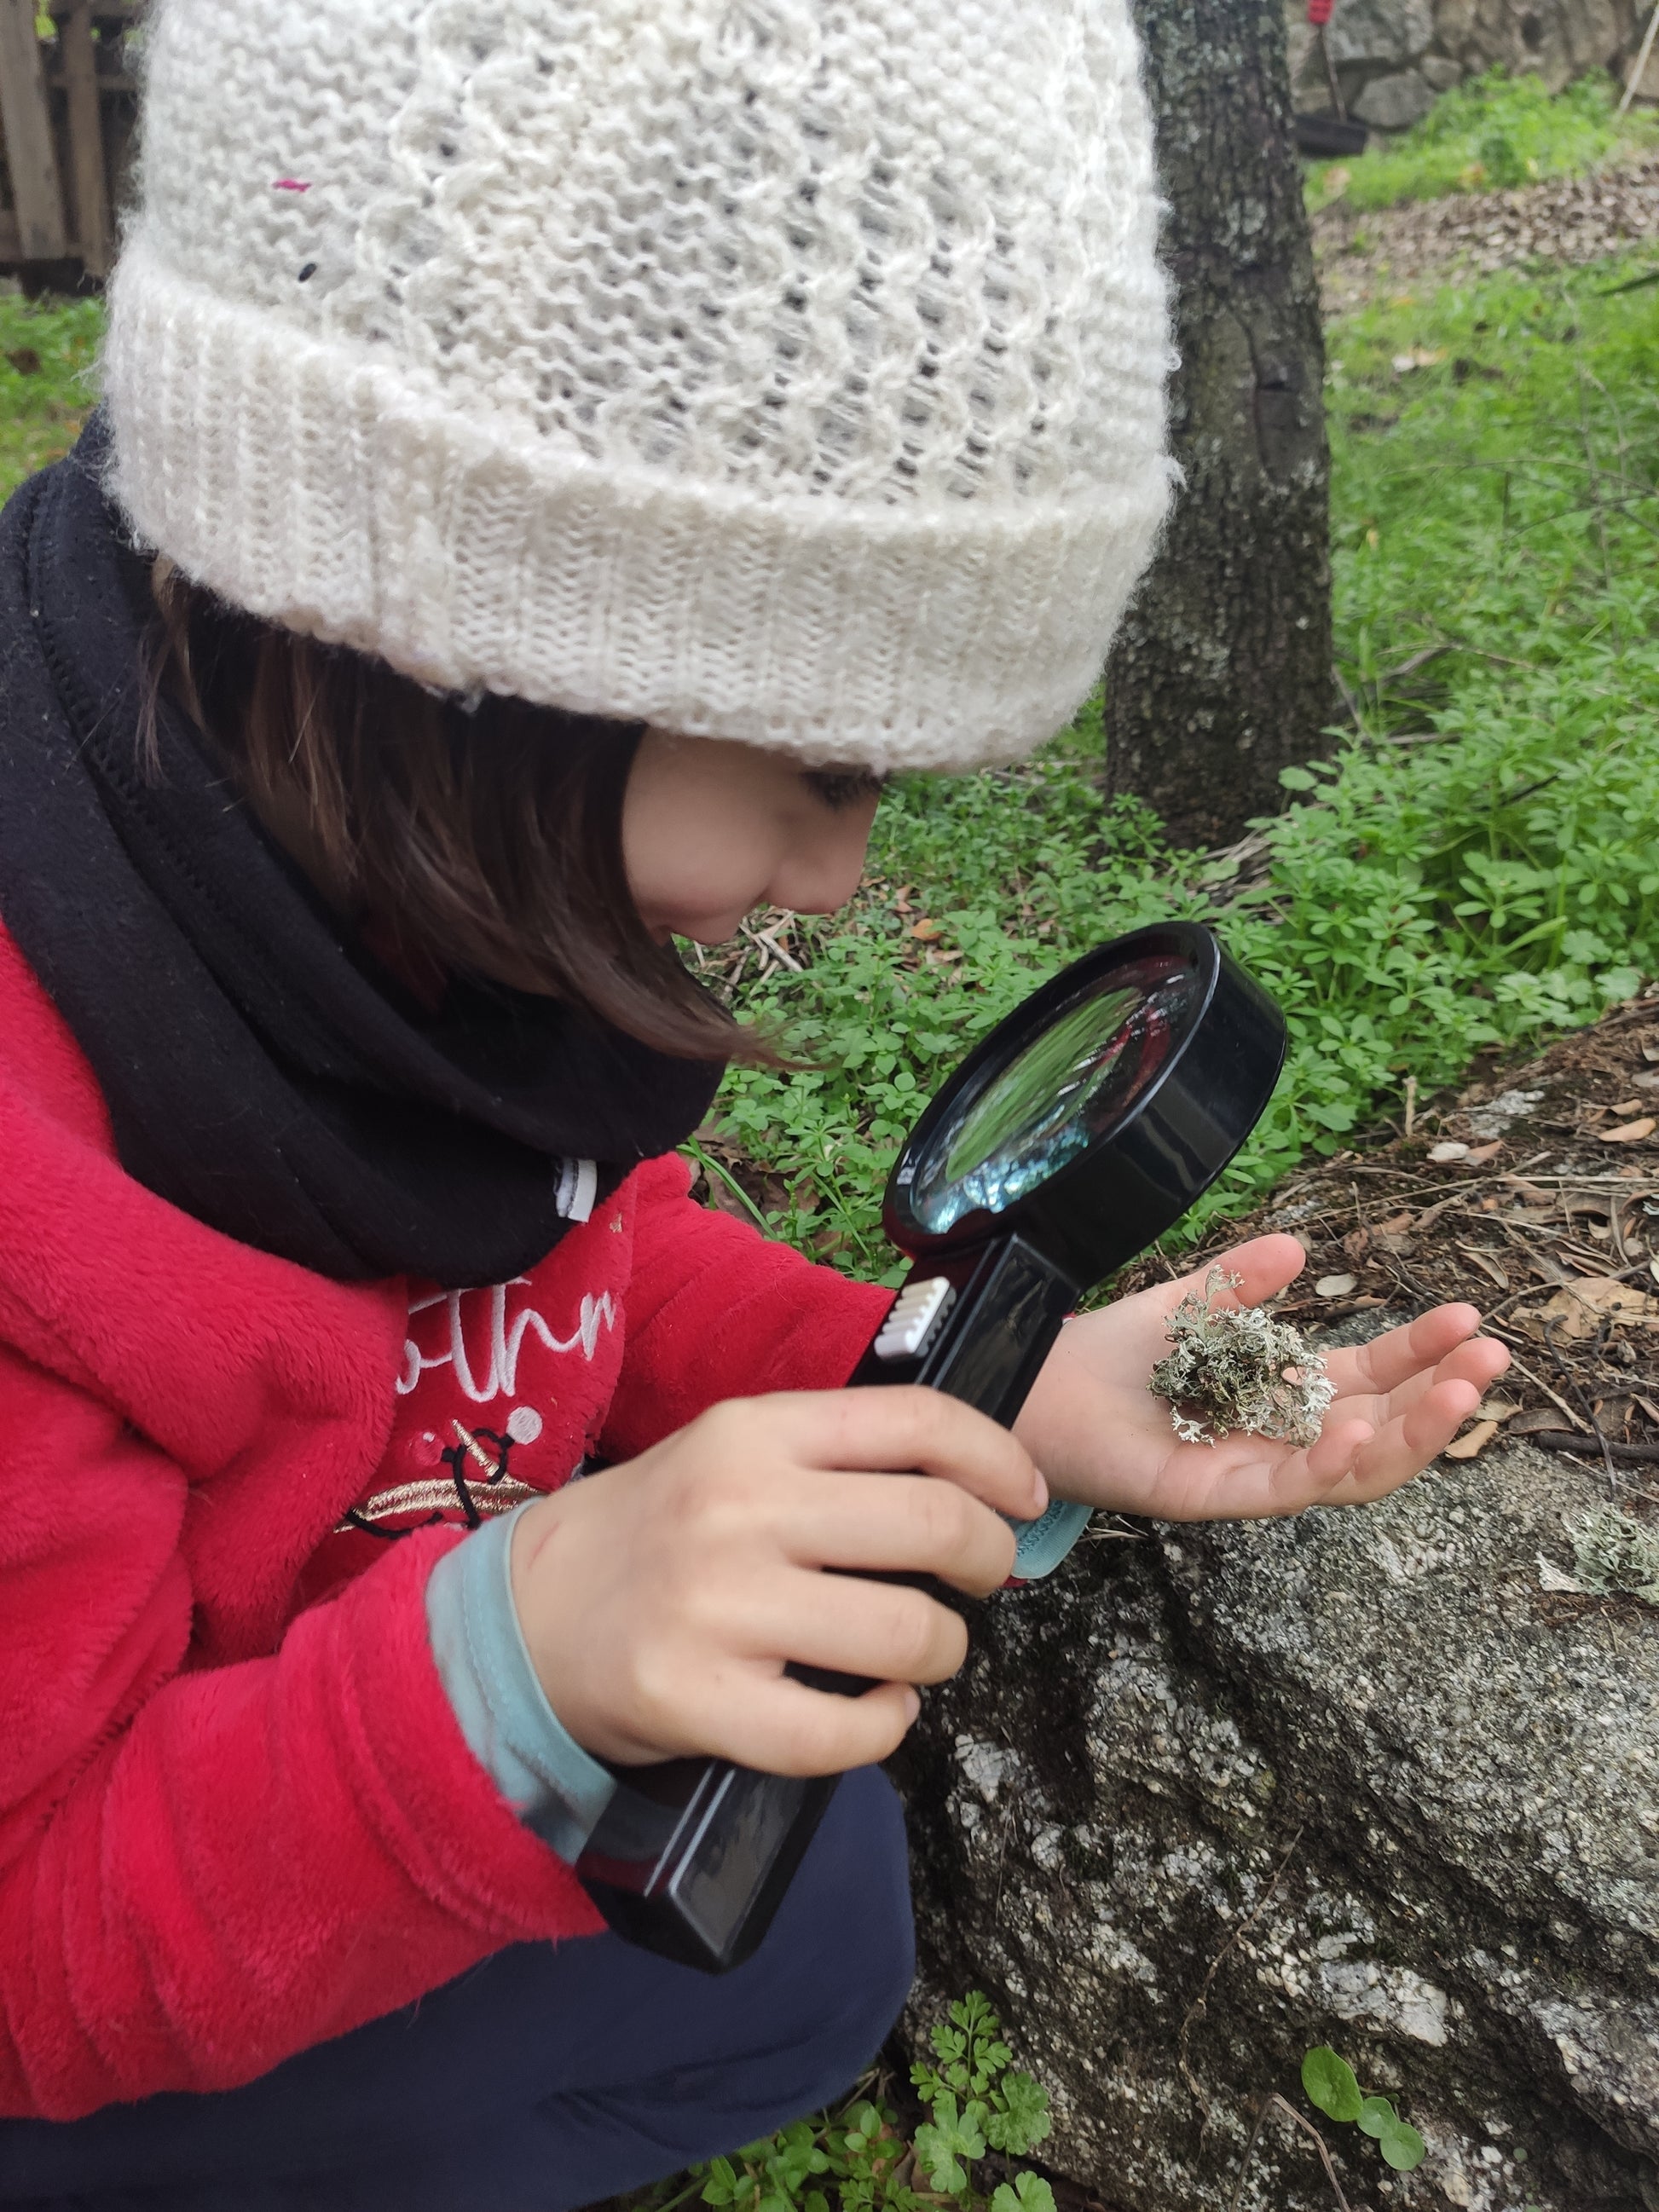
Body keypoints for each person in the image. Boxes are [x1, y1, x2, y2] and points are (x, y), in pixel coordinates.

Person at [0, 3, 1508, 2206]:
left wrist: (976, 1395)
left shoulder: (385, 878)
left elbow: (586, 1246)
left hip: (261, 1686)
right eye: (825, 776)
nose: (838, 882)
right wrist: (503, 1667)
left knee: (797, 1920)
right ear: (470, 645)